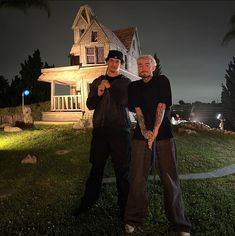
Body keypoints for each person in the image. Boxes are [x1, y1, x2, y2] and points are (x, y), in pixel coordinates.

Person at [124, 55, 191, 236]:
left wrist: (154, 132)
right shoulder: (134, 86)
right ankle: (133, 218)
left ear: (153, 67)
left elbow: (161, 107)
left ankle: (180, 223)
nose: (143, 67)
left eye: (147, 64)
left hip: (163, 136)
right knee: (137, 178)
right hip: (140, 137)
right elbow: (137, 111)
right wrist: (145, 131)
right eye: (140, 65)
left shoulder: (162, 81)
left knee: (170, 179)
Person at [73, 50, 131, 218]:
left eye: (117, 61)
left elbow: (125, 102)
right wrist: (98, 92)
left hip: (120, 130)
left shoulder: (126, 82)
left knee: (122, 170)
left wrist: (109, 88)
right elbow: (90, 105)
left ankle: (124, 206)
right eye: (112, 60)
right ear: (107, 62)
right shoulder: (97, 81)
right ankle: (87, 203)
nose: (114, 64)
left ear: (121, 64)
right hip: (100, 131)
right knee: (96, 169)